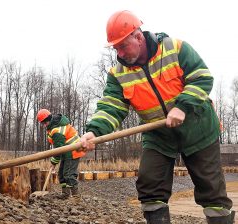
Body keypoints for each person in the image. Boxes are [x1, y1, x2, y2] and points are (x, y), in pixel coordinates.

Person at [80, 10, 235, 224]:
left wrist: (182, 106)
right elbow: (111, 106)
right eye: (116, 48)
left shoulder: (175, 48)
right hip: (158, 136)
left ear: (138, 36)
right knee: (149, 185)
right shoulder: (118, 74)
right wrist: (94, 132)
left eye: (123, 46)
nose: (120, 54)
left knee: (212, 191)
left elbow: (202, 78)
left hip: (198, 130)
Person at [37, 109, 85, 199]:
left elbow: (58, 150)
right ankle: (65, 194)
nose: (44, 125)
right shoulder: (54, 125)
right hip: (67, 152)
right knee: (61, 174)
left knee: (69, 174)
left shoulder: (56, 131)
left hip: (73, 151)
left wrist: (53, 162)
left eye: (44, 123)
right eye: (42, 123)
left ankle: (76, 197)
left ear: (48, 120)